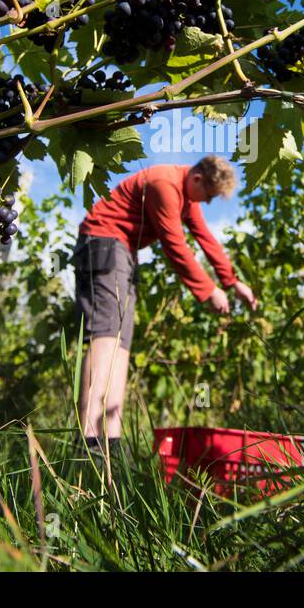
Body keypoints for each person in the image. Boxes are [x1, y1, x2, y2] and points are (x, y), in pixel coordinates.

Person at [71, 155, 258, 462]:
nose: (207, 204)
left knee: (120, 342)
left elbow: (206, 239)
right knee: (105, 335)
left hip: (123, 252)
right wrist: (208, 290)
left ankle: (111, 445)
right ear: (197, 179)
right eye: (209, 197)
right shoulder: (164, 184)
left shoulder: (187, 196)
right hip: (103, 243)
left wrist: (232, 282)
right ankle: (88, 441)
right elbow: (176, 245)